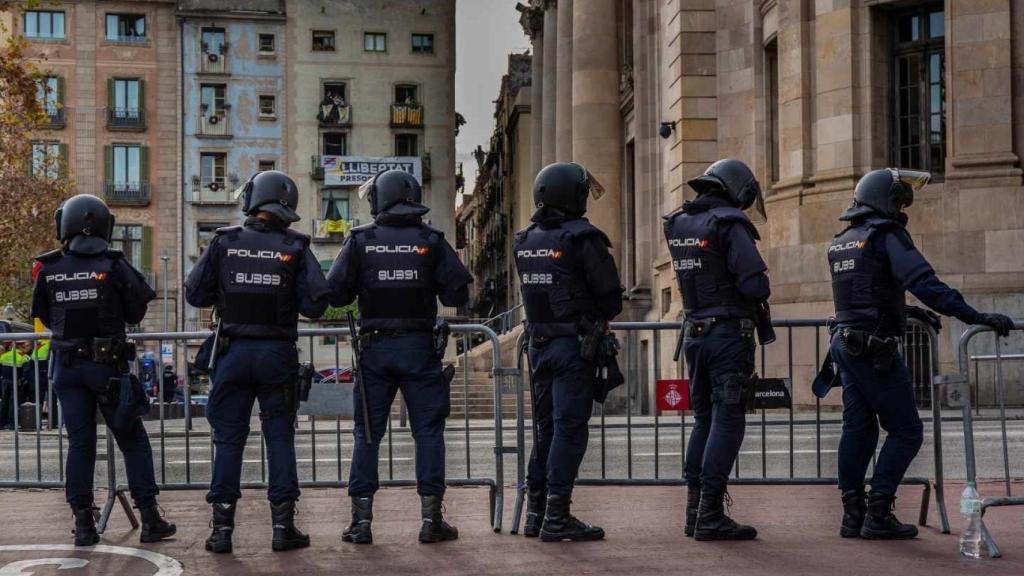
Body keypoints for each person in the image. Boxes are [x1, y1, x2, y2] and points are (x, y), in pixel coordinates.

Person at [825, 168, 1015, 540]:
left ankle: (852, 516)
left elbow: (863, 294)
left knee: (858, 429)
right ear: (884, 201)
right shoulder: (886, 235)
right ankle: (878, 513)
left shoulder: (843, 239)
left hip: (846, 344)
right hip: (874, 350)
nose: (900, 207)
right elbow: (924, 282)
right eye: (897, 200)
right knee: (907, 431)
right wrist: (973, 315)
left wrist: (904, 312)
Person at [185, 170, 329, 553]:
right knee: (279, 438)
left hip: (232, 353)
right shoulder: (296, 247)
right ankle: (283, 529)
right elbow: (317, 304)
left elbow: (194, 294)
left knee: (228, 440)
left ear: (252, 200)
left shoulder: (224, 242)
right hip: (276, 355)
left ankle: (221, 532)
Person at [327, 169, 471, 544]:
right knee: (428, 433)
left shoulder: (361, 241)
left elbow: (336, 294)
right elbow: (458, 294)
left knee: (367, 434)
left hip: (375, 350)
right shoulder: (431, 240)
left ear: (380, 198)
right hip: (419, 348)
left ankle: (361, 524)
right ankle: (431, 520)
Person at [31, 194, 175, 546]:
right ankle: (151, 518)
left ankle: (83, 523)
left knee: (80, 445)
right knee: (133, 442)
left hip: (66, 368)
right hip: (106, 368)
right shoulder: (114, 264)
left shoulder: (49, 267)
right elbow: (137, 309)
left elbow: (43, 314)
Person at [513, 162, 622, 542]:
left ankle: (536, 513)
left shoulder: (524, 240)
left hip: (538, 346)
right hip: (573, 347)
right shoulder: (582, 238)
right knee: (569, 431)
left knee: (545, 432)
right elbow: (611, 299)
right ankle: (557, 517)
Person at [663, 159, 771, 541]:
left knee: (704, 422)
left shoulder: (679, 222)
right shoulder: (729, 222)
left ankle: (694, 512)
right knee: (728, 420)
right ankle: (709, 514)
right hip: (727, 336)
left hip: (695, 333)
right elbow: (755, 284)